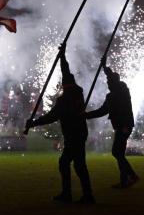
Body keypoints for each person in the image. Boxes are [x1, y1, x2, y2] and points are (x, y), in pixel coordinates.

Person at [25, 44, 94, 204]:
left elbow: (52, 116)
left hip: (73, 134)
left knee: (73, 165)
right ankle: (77, 194)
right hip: (80, 133)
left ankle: (76, 195)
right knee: (74, 164)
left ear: (64, 86)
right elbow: (66, 72)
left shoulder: (65, 99)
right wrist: (62, 57)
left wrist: (33, 123)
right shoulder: (77, 93)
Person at [85, 66, 138, 188]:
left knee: (116, 152)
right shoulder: (111, 96)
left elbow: (113, 77)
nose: (108, 84)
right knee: (119, 153)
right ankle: (124, 181)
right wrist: (86, 115)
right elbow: (102, 111)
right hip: (120, 126)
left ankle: (132, 176)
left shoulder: (122, 90)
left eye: (110, 82)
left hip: (124, 126)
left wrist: (105, 69)